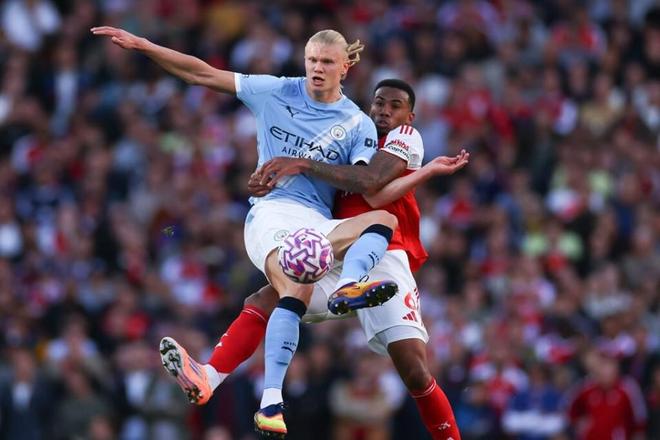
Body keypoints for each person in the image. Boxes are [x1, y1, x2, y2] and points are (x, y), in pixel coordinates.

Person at [91, 26, 412, 437]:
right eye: (312, 60)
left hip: (317, 222)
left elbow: (363, 182)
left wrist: (303, 164)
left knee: (383, 222)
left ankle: (211, 374)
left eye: (327, 62)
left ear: (344, 68)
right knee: (294, 285)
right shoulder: (275, 91)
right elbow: (201, 74)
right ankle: (271, 402)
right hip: (273, 213)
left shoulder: (357, 123)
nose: (317, 68)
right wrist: (145, 45)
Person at [162, 78, 467, 439]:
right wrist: (266, 182)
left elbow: (371, 188)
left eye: (394, 105)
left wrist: (426, 171)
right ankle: (209, 376)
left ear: (409, 116)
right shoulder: (352, 135)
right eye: (379, 103)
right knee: (264, 299)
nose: (384, 111)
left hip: (384, 254)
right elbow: (310, 177)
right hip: (335, 245)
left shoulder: (404, 137)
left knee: (415, 371)